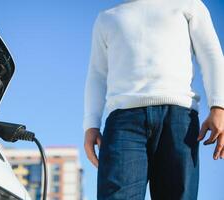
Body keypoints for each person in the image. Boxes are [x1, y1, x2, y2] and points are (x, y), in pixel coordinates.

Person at [83, 0, 224, 199]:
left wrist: (219, 106)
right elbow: (97, 74)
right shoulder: (107, 18)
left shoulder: (189, 5)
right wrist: (91, 124)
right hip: (124, 123)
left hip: (178, 119)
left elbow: (211, 54)